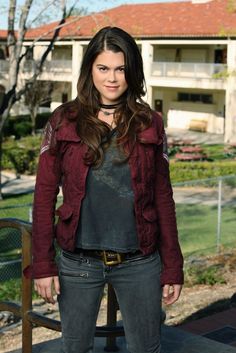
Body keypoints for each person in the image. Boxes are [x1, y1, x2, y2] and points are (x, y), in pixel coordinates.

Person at [31, 26, 184, 353]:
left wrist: (173, 266)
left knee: (147, 348)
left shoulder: (150, 123)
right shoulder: (62, 121)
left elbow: (163, 198)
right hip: (78, 263)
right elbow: (43, 198)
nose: (112, 78)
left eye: (120, 68)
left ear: (132, 71)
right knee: (76, 349)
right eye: (103, 68)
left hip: (140, 263)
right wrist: (43, 266)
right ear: (90, 69)